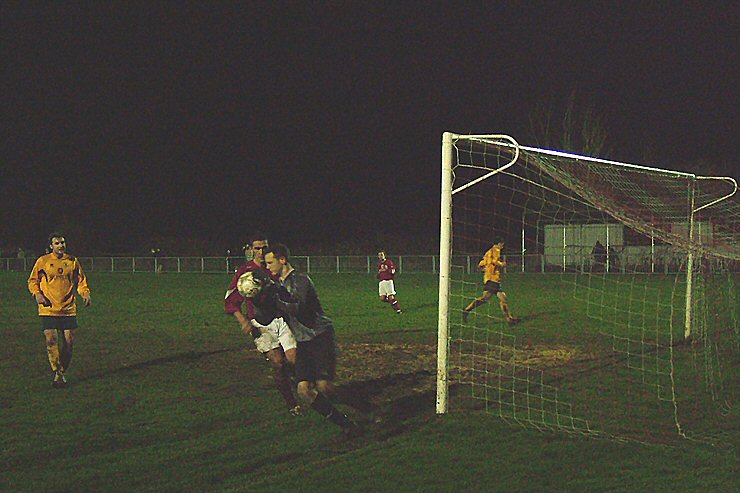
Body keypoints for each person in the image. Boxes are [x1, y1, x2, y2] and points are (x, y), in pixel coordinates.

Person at [264, 243, 363, 438]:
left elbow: (297, 308)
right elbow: (268, 317)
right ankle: (346, 424)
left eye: (270, 262)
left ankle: (368, 408)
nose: (267, 267)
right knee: (304, 390)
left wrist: (274, 300)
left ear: (282, 260)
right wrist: (261, 302)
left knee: (324, 385)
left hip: (320, 336)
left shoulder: (301, 280)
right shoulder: (279, 286)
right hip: (303, 341)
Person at [224, 233, 300, 416]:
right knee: (278, 363)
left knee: (294, 361)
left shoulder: (273, 267)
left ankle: (305, 388)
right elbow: (230, 300)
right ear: (250, 250)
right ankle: (292, 404)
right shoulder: (245, 272)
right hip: (260, 326)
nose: (260, 251)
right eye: (256, 248)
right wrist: (243, 321)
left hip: (281, 321)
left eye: (264, 248)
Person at [27, 233, 91, 387]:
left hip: (68, 308)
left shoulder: (72, 261)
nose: (61, 245)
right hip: (48, 308)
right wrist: (37, 294)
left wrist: (85, 292)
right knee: (51, 340)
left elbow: (80, 280)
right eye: (57, 243)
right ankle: (58, 373)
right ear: (51, 246)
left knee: (68, 344)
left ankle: (61, 370)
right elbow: (32, 280)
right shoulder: (43, 261)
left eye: (62, 242)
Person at [462, 242, 517, 324]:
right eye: (502, 244)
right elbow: (495, 261)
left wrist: (484, 268)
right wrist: (503, 264)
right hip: (492, 279)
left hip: (491, 279)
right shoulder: (496, 250)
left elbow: (482, 263)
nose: (502, 246)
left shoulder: (488, 252)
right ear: (499, 243)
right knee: (485, 298)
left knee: (502, 298)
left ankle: (509, 319)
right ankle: (467, 310)